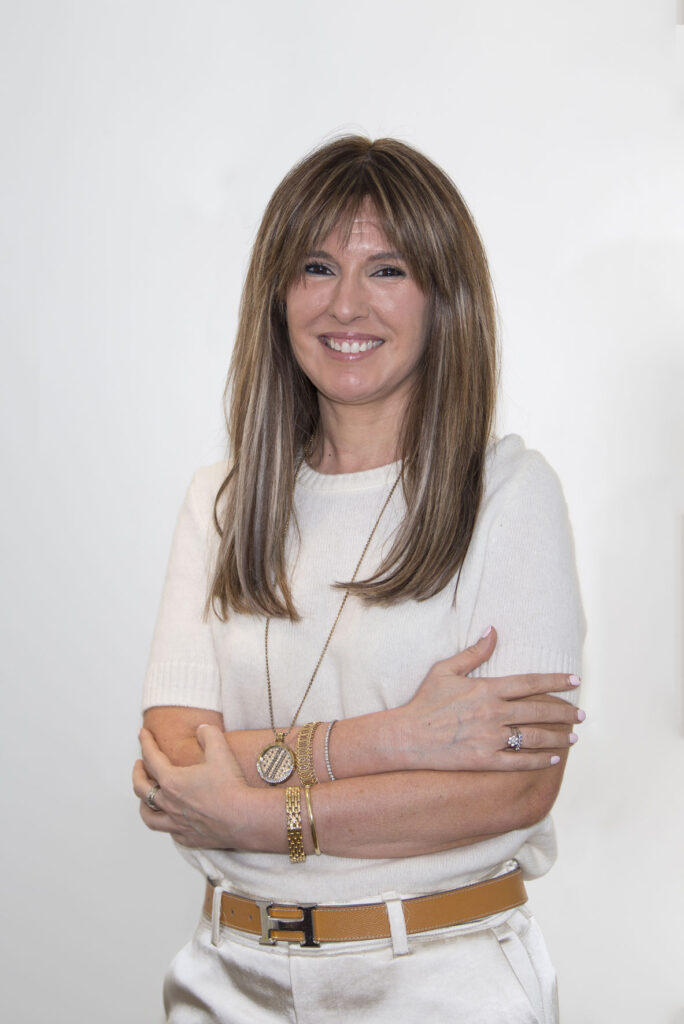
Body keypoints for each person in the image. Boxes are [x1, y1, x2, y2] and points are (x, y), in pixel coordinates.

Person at [133, 136, 585, 1024]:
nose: (346, 304)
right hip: (228, 979)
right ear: (279, 293)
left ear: (442, 296)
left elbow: (516, 787)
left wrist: (257, 815)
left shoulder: (508, 494)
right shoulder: (220, 502)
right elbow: (177, 764)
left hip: (438, 981)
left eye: (387, 269)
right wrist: (397, 738)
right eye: (315, 267)